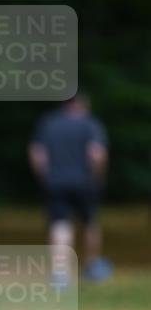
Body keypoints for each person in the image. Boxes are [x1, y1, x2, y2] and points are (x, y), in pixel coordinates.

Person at [28, 93, 111, 284]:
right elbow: (96, 154)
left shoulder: (49, 123)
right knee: (90, 222)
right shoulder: (90, 124)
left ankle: (60, 272)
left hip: (55, 183)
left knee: (59, 225)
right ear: (81, 104)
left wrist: (45, 177)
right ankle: (92, 266)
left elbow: (37, 155)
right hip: (85, 182)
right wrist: (97, 176)